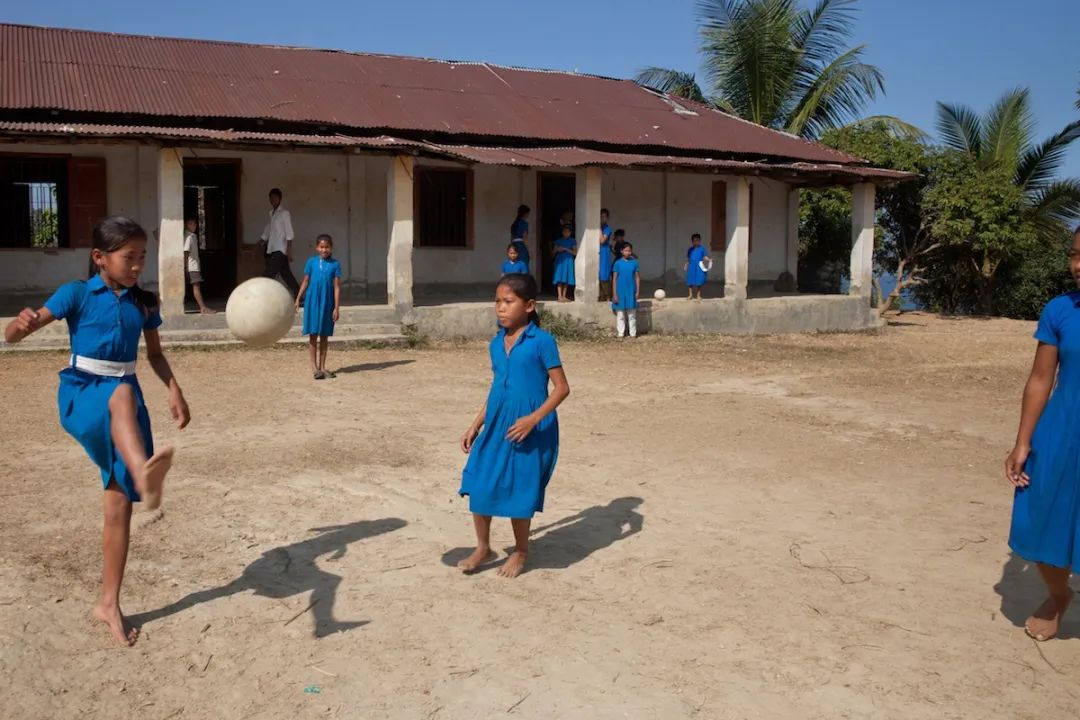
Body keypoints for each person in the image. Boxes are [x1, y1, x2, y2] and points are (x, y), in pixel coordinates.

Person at [3, 216, 191, 647]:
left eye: (142, 256)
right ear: (99, 258)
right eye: (129, 257)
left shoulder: (144, 304)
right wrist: (20, 324)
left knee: (117, 506)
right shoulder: (76, 294)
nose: (137, 265)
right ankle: (144, 473)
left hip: (127, 403)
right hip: (84, 392)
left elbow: (156, 356)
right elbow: (14, 336)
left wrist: (175, 390)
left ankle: (108, 602)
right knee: (120, 397)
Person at [458, 273, 571, 578]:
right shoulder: (496, 344)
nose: (501, 308)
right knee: (480, 481)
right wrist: (475, 424)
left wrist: (534, 419)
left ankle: (521, 551)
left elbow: (562, 388)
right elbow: (498, 387)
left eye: (508, 302)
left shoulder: (542, 342)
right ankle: (483, 547)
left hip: (530, 427)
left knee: (520, 489)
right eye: (497, 302)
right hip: (497, 424)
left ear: (530, 305)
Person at [1004, 226, 1080, 642]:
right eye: (1074, 255)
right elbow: (1039, 379)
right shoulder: (1060, 311)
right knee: (1043, 522)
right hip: (1063, 434)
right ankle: (1059, 594)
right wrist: (1023, 442)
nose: (1078, 266)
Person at [295, 234, 342, 380]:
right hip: (312, 301)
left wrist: (336, 307)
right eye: (321, 247)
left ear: (331, 248)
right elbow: (305, 281)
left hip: (327, 302)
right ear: (317, 247)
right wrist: (297, 299)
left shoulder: (335, 264)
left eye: (327, 247)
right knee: (313, 334)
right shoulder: (311, 262)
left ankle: (323, 367)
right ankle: (314, 368)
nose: (324, 250)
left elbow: (336, 287)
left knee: (324, 335)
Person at [260, 188, 300, 297]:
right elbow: (268, 228)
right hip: (273, 248)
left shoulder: (284, 213)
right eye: (271, 198)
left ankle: (260, 297)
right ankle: (299, 295)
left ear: (280, 199)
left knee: (268, 275)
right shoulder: (271, 214)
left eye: (275, 198)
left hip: (281, 249)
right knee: (286, 275)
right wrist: (262, 239)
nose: (273, 200)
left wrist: (289, 250)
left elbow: (289, 232)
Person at [183, 218, 216, 314]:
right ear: (186, 225)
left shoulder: (192, 236)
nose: (193, 226)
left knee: (195, 286)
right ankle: (203, 307)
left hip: (193, 265)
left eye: (194, 224)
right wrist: (185, 267)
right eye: (190, 224)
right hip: (192, 266)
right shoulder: (189, 237)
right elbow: (186, 252)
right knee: (196, 287)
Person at [612, 242, 640, 338]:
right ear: (621, 251)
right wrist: (615, 294)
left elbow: (637, 278)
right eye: (626, 250)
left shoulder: (634, 263)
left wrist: (637, 291)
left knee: (631, 314)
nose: (628, 252)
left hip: (630, 290)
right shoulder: (617, 263)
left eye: (629, 251)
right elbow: (614, 279)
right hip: (620, 291)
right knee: (620, 314)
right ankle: (621, 333)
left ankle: (633, 334)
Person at [551, 224, 577, 303]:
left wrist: (566, 249)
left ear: (570, 233)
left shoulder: (572, 241)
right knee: (559, 277)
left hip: (568, 260)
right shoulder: (558, 240)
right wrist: (557, 249)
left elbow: (575, 253)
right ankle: (559, 296)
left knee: (566, 277)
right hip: (560, 260)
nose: (566, 233)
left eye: (568, 232)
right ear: (562, 232)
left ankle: (564, 296)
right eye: (565, 231)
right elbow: (553, 253)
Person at [684, 233, 711, 300]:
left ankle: (698, 295)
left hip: (699, 266)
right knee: (690, 281)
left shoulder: (702, 249)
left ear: (700, 241)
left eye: (698, 240)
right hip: (691, 266)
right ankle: (690, 295)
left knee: (699, 281)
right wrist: (686, 265)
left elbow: (704, 257)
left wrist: (709, 259)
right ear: (692, 241)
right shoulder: (690, 249)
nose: (696, 242)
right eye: (695, 240)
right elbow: (688, 258)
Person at [598, 209, 614, 302]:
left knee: (604, 274)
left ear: (607, 218)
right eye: (600, 216)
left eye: (604, 216)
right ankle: (601, 296)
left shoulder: (607, 228)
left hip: (604, 251)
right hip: (597, 252)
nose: (602, 218)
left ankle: (608, 295)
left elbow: (602, 241)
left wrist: (599, 228)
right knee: (598, 275)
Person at [510, 205, 531, 271]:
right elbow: (525, 238)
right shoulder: (524, 223)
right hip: (521, 246)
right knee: (523, 265)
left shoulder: (514, 224)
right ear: (525, 214)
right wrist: (529, 251)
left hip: (514, 246)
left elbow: (511, 237)